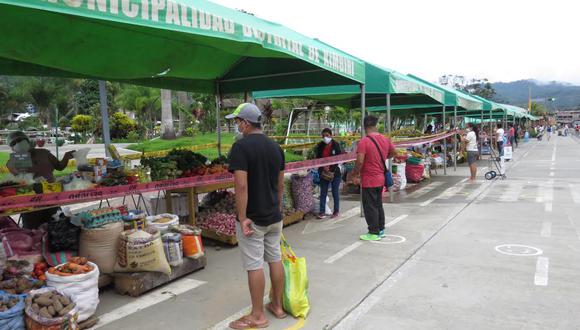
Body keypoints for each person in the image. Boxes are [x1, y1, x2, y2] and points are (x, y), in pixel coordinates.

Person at [226, 103, 286, 329]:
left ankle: (258, 315)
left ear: (246, 123)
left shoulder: (241, 148)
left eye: (237, 121)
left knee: (254, 265)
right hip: (274, 216)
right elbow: (280, 185)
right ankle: (278, 307)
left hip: (253, 218)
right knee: (275, 259)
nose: (236, 126)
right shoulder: (276, 148)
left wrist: (242, 217)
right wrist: (276, 209)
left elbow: (241, 186)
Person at [6, 131, 75, 229]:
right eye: (14, 143)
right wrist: (21, 157)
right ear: (12, 148)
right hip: (31, 203)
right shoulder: (13, 161)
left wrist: (67, 156)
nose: (18, 144)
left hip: (51, 197)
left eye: (20, 140)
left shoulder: (44, 153)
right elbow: (22, 179)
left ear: (27, 141)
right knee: (33, 232)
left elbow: (59, 166)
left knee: (55, 228)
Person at [350, 116, 396, 241]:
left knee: (370, 206)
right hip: (381, 178)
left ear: (364, 127)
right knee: (378, 204)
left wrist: (354, 174)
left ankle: (373, 232)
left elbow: (359, 161)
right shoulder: (385, 139)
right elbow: (393, 153)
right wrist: (382, 158)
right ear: (375, 125)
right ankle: (381, 229)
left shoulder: (364, 141)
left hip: (369, 180)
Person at [315, 128, 342, 219]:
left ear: (331, 135)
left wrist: (331, 169)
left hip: (335, 173)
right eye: (323, 136)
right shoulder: (320, 146)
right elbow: (317, 158)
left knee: (335, 192)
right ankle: (322, 212)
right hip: (323, 173)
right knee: (323, 193)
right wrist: (323, 168)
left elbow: (339, 159)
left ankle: (336, 211)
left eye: (327, 135)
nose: (325, 137)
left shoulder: (336, 145)